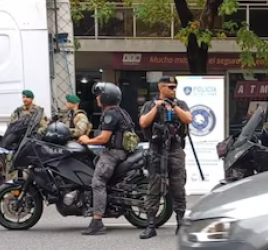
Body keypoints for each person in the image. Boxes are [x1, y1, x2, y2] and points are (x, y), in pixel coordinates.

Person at [138, 76, 192, 239]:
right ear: (161, 88)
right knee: (154, 187)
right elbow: (143, 123)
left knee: (178, 187)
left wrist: (174, 107)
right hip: (157, 149)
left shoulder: (180, 104)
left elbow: (188, 119)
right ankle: (151, 225)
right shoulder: (150, 104)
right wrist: (157, 107)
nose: (173, 90)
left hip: (175, 149)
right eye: (170, 87)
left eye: (175, 87)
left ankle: (181, 223)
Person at [78, 82, 134, 236]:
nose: (97, 98)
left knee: (98, 181)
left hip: (114, 153)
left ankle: (97, 222)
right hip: (121, 152)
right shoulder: (121, 112)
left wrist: (87, 140)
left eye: (99, 95)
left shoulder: (111, 114)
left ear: (106, 97)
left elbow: (104, 138)